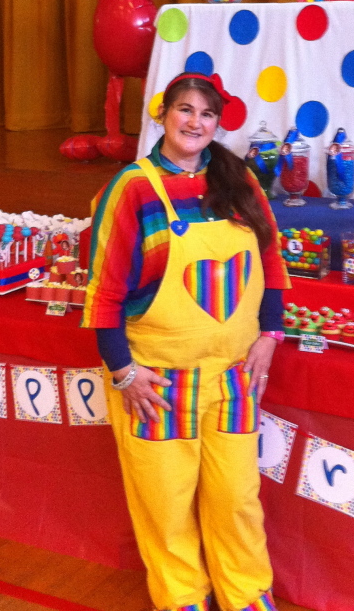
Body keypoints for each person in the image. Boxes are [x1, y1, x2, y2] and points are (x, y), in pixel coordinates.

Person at [82, 72, 290, 611]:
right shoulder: (133, 188)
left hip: (234, 377)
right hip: (159, 381)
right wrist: (123, 372)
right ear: (163, 114)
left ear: (217, 123)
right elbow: (105, 292)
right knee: (166, 503)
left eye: (207, 113)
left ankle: (246, 593)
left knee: (237, 498)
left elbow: (271, 260)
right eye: (185, 110)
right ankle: (182, 599)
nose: (195, 122)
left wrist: (270, 333)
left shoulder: (238, 179)